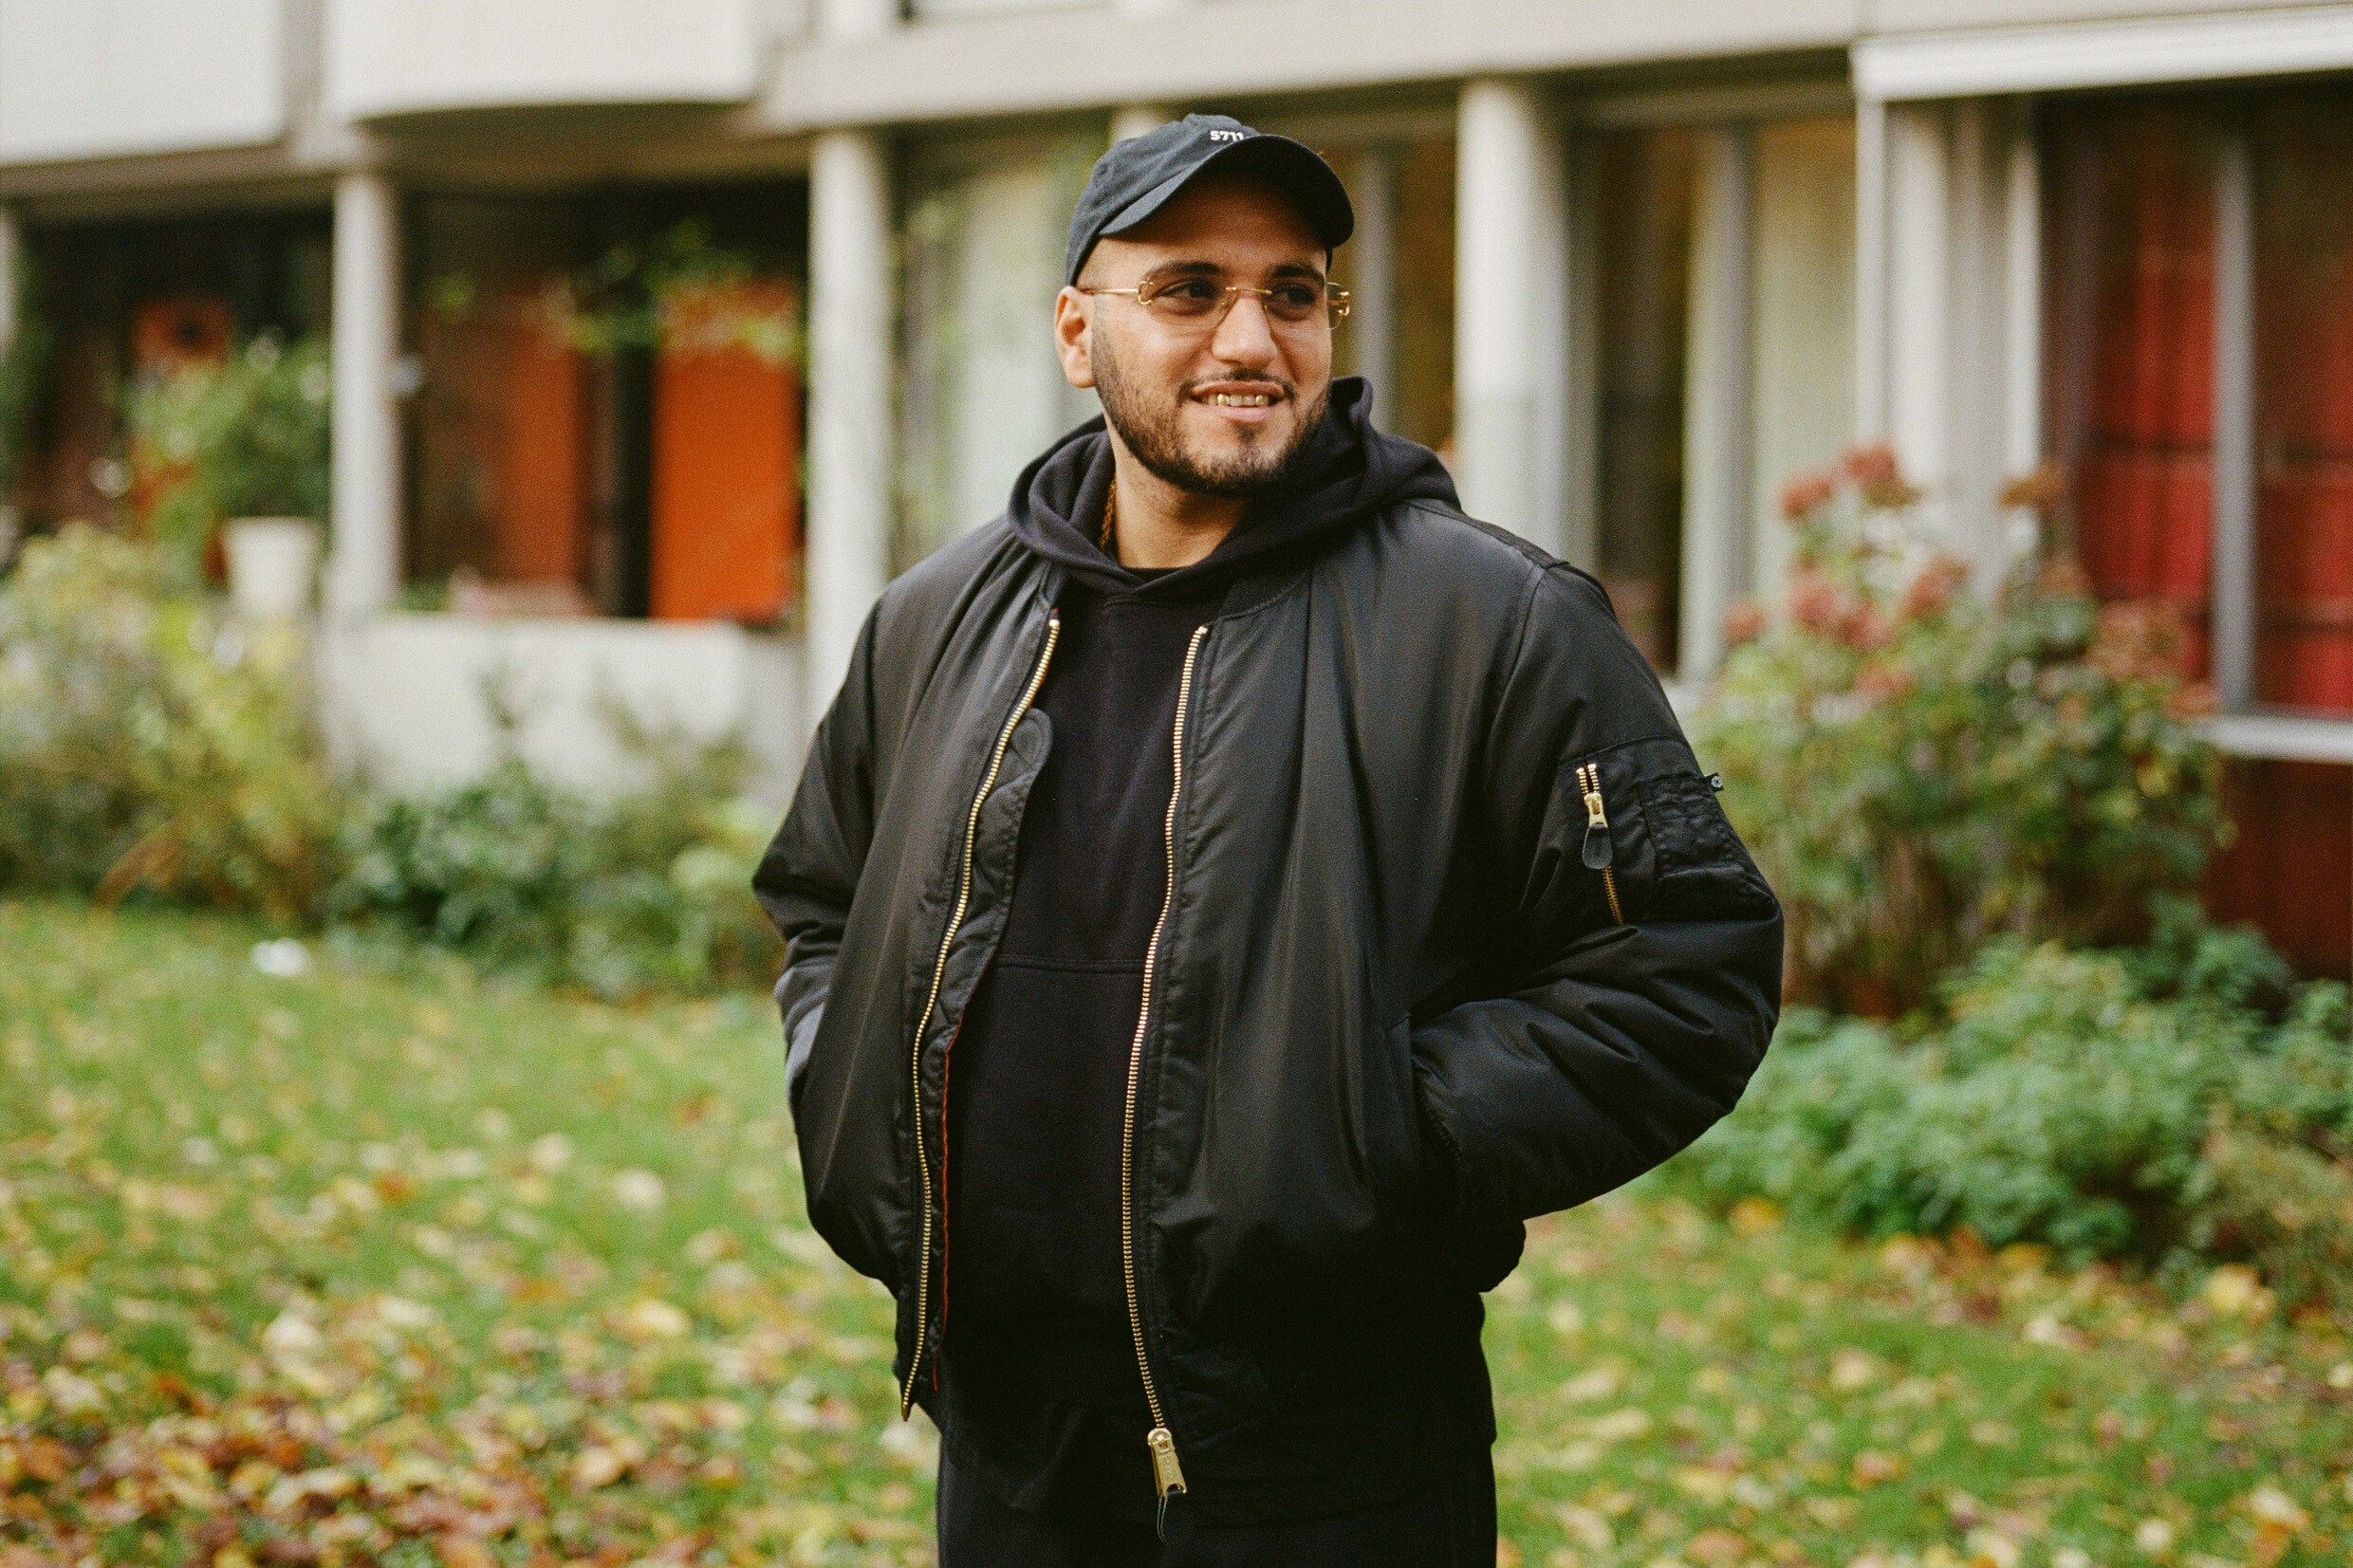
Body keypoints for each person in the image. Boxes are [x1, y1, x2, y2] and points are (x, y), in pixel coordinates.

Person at [753, 112, 1784, 1568]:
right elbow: (821, 902)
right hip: (1010, 1453)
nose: (1252, 335)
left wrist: (1377, 1135)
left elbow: (1687, 965)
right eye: (1188, 290)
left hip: (1334, 1463)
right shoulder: (940, 619)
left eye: (1291, 292)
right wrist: (838, 1091)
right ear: (1075, 329)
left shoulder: (1491, 623)